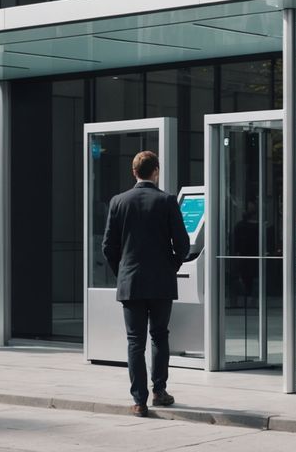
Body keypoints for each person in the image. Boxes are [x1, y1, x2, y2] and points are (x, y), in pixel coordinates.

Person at [102, 151, 190, 417]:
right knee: (160, 336)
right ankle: (159, 391)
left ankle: (139, 400)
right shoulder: (166, 201)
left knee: (134, 342)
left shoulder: (118, 202)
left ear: (134, 172)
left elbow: (108, 246)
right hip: (161, 282)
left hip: (131, 282)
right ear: (156, 171)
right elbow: (183, 245)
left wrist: (123, 273)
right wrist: (171, 266)